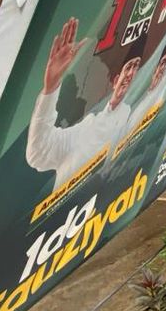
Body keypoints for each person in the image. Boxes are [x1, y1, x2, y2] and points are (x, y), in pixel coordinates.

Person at [26, 17, 144, 189]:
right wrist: (50, 87)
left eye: (136, 67)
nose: (131, 73)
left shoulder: (137, 117)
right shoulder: (87, 129)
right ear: (115, 80)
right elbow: (38, 152)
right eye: (129, 67)